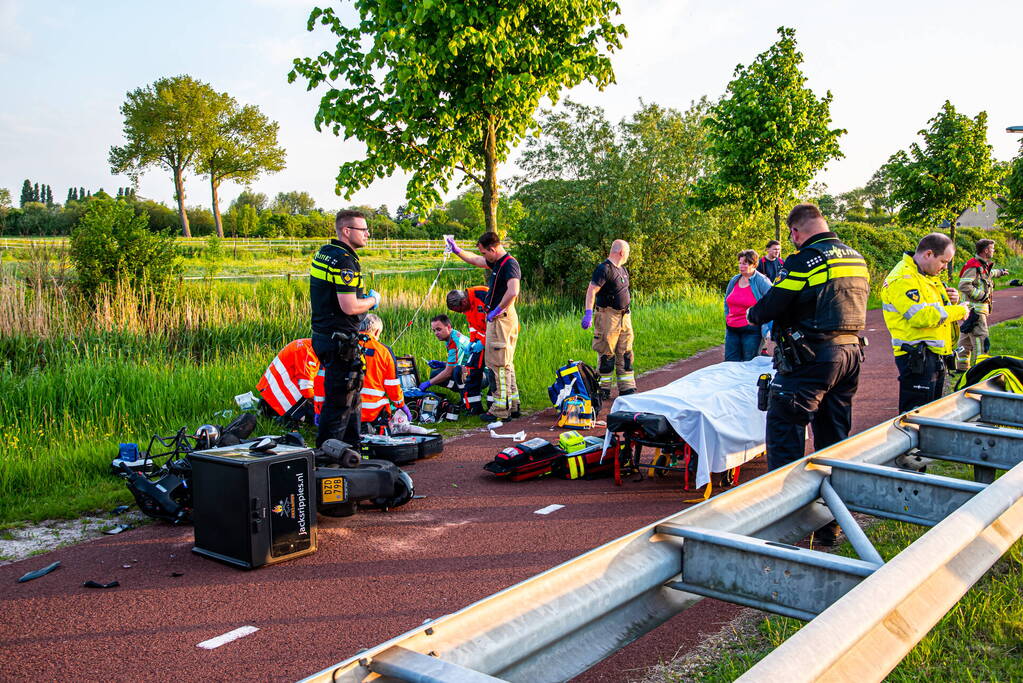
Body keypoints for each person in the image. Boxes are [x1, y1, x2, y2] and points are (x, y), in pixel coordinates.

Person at [747, 204, 869, 474]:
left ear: (795, 231)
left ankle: (787, 506)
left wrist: (752, 314)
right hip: (850, 354)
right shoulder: (855, 258)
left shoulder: (805, 259)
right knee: (833, 436)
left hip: (811, 357)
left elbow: (775, 303)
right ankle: (832, 507)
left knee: (784, 429)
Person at [309, 209, 381, 447]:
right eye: (363, 229)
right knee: (340, 402)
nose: (368, 234)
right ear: (347, 231)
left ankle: (352, 450)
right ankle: (329, 458)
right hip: (339, 340)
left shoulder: (326, 252)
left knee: (351, 398)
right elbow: (349, 306)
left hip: (324, 335)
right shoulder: (345, 261)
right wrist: (372, 300)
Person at [882, 233, 969, 413]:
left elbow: (935, 308)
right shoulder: (903, 278)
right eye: (943, 262)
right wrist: (959, 311)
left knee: (932, 413)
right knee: (916, 415)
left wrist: (951, 299)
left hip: (933, 355)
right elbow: (921, 316)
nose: (945, 267)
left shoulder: (925, 276)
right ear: (928, 254)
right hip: (917, 356)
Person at [447, 232, 521, 422]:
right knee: (505, 364)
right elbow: (476, 260)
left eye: (484, 252)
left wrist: (496, 309)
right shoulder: (498, 262)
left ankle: (500, 409)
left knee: (498, 366)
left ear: (493, 249)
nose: (484, 256)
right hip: (500, 318)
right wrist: (457, 251)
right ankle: (512, 404)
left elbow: (513, 291)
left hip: (501, 319)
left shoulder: (509, 264)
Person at [580, 240, 635, 398]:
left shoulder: (623, 270)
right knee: (607, 354)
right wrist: (588, 313)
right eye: (627, 253)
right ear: (621, 253)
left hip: (624, 316)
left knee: (625, 353)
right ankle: (602, 390)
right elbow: (591, 291)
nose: (627, 256)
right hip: (607, 316)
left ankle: (627, 387)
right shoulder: (604, 269)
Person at [957, 238, 1009, 367]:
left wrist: (1001, 272)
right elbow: (964, 285)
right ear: (986, 250)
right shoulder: (974, 266)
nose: (994, 251)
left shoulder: (981, 266)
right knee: (982, 339)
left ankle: (962, 367)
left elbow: (988, 274)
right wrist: (982, 296)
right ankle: (982, 369)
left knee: (965, 340)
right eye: (992, 249)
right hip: (977, 312)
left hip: (971, 311)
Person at [356, 314, 410, 428]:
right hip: (372, 412)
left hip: (345, 411)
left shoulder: (345, 345)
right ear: (376, 332)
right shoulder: (384, 351)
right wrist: (401, 404)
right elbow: (392, 385)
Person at [445, 285, 490, 414]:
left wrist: (482, 342)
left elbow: (495, 324)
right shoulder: (468, 307)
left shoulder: (482, 296)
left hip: (494, 340)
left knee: (495, 374)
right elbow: (473, 327)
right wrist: (472, 341)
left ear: (463, 302)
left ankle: (497, 407)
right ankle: (474, 408)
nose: (461, 313)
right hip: (480, 342)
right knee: (470, 373)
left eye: (459, 310)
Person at [724, 250, 774, 362]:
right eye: (740, 263)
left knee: (749, 363)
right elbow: (727, 302)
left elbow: (772, 303)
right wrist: (727, 317)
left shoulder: (762, 281)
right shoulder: (734, 280)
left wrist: (768, 331)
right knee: (729, 363)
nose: (741, 266)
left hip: (751, 329)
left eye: (745, 263)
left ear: (754, 265)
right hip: (732, 329)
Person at [256, 338, 319, 424]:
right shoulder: (307, 352)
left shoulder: (312, 345)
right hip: (279, 392)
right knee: (316, 417)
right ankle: (286, 418)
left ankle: (270, 408)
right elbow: (307, 390)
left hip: (274, 389)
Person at [418, 314, 472, 399]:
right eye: (434, 330)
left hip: (479, 374)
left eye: (439, 329)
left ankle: (468, 394)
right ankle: (467, 392)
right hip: (469, 369)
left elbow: (448, 372)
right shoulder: (454, 335)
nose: (436, 333)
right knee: (436, 373)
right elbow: (458, 362)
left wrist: (428, 383)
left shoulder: (454, 342)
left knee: (448, 374)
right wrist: (442, 364)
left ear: (449, 327)